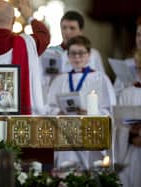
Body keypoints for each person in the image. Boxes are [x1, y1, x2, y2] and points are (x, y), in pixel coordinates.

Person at [46, 36, 116, 169]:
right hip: (66, 135)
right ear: (68, 56)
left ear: (89, 55)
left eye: (81, 53)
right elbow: (49, 107)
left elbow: (110, 110)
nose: (77, 58)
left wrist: (91, 112)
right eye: (73, 53)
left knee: (89, 173)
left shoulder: (101, 79)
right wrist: (58, 112)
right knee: (67, 173)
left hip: (90, 133)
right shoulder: (60, 80)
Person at [115, 49, 141, 187]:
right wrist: (131, 135)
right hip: (132, 149)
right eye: (138, 68)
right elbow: (120, 127)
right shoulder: (127, 93)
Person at [114, 17, 141, 97]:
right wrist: (127, 87)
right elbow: (115, 94)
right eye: (138, 35)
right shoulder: (127, 64)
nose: (140, 39)